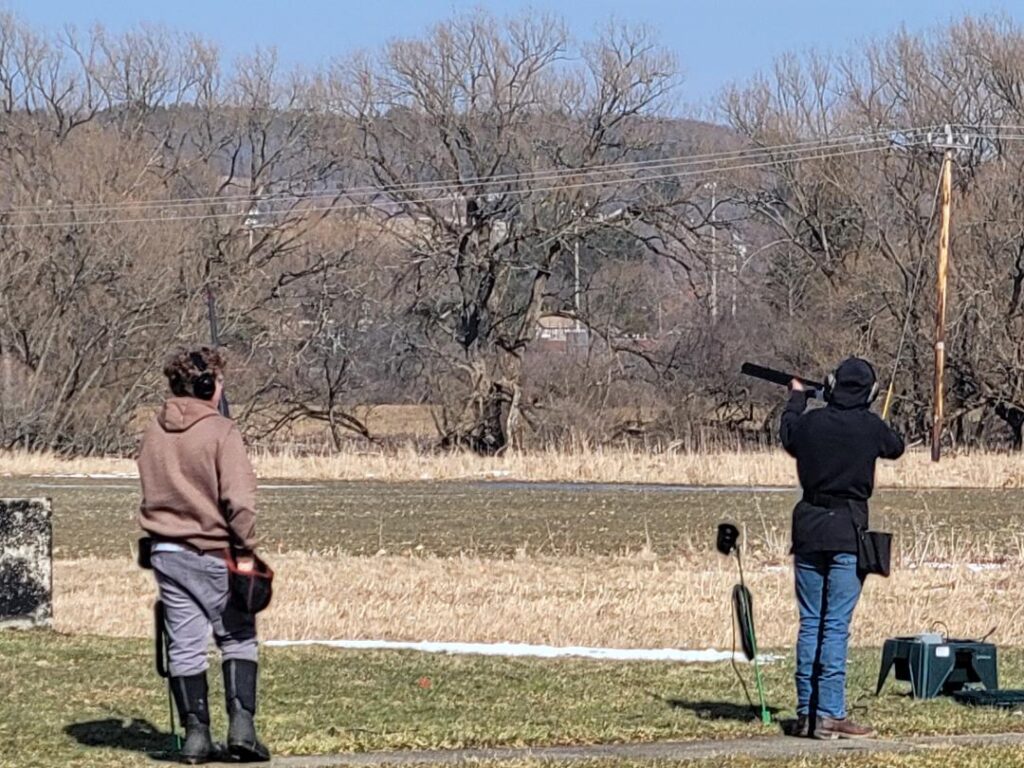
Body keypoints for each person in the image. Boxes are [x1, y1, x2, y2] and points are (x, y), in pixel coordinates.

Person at [138, 347, 270, 764]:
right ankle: (242, 731)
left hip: (166, 553)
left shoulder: (153, 431)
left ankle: (196, 738)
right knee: (238, 636)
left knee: (184, 646)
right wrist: (245, 546)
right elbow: (240, 502)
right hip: (214, 553)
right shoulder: (221, 432)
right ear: (208, 385)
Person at [780, 357, 904, 740]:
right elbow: (895, 446)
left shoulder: (811, 423)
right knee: (834, 626)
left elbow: (788, 434)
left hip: (808, 529)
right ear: (869, 394)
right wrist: (876, 415)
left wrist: (797, 399)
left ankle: (807, 712)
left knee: (811, 623)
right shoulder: (870, 427)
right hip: (847, 531)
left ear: (831, 387)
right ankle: (830, 714)